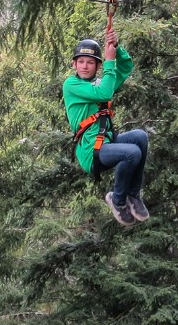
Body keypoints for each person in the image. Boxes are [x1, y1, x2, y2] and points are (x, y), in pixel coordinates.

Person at [63, 26, 149, 226]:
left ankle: (133, 196)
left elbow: (126, 68)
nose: (85, 66)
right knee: (132, 153)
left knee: (140, 137)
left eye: (90, 62)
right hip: (91, 151)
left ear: (97, 66)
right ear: (74, 64)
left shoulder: (102, 83)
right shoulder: (71, 85)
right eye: (81, 62)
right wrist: (109, 61)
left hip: (106, 143)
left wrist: (116, 48)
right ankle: (117, 200)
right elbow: (104, 94)